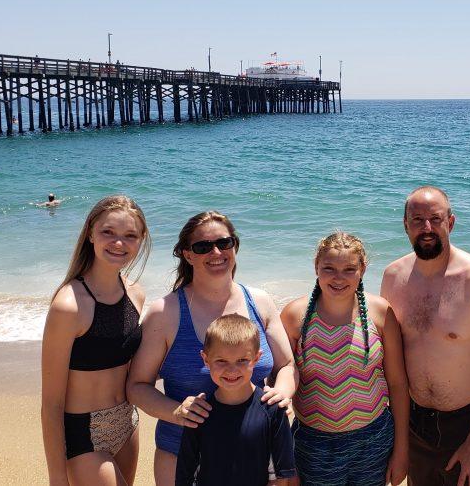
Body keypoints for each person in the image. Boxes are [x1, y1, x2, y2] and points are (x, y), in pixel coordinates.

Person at [127, 211, 298, 486]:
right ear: (187, 255)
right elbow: (137, 386)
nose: (216, 252)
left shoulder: (260, 302)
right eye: (202, 247)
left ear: (235, 246)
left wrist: (281, 393)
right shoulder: (165, 313)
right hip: (182, 455)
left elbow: (286, 366)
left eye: (224, 243)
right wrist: (176, 412)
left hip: (254, 455)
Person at [381, 186, 470, 486]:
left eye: (435, 218)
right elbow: (389, 361)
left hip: (467, 425)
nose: (427, 228)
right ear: (405, 224)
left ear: (451, 223)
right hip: (414, 424)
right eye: (417, 219)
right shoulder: (393, 277)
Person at [280, 232, 410, 486]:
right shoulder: (294, 316)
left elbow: (397, 384)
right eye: (329, 268)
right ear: (316, 267)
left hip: (373, 440)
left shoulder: (381, 312)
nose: (339, 278)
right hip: (314, 444)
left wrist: (401, 450)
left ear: (363, 269)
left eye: (349, 269)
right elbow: (281, 388)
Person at [41, 195, 152, 486]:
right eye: (108, 233)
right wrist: (56, 479)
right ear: (90, 233)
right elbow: (51, 403)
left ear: (141, 240)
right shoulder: (69, 305)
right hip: (83, 433)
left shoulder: (136, 294)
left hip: (127, 423)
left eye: (130, 235)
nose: (119, 243)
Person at [176, 314, 296, 486]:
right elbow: (186, 473)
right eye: (221, 361)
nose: (232, 370)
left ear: (256, 358)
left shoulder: (272, 410)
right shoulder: (198, 413)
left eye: (242, 360)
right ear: (206, 359)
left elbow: (280, 476)